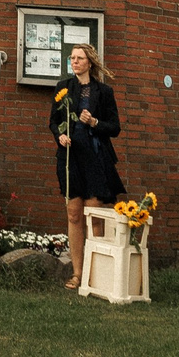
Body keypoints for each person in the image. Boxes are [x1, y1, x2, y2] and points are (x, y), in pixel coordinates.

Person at [52, 42, 123, 291]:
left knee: (94, 215)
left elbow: (114, 127)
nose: (74, 62)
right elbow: (53, 122)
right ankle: (77, 273)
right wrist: (60, 136)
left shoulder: (104, 92)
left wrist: (94, 121)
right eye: (72, 58)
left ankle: (97, 275)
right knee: (73, 214)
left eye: (79, 58)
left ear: (89, 62)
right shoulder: (63, 88)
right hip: (70, 158)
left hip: (95, 157)